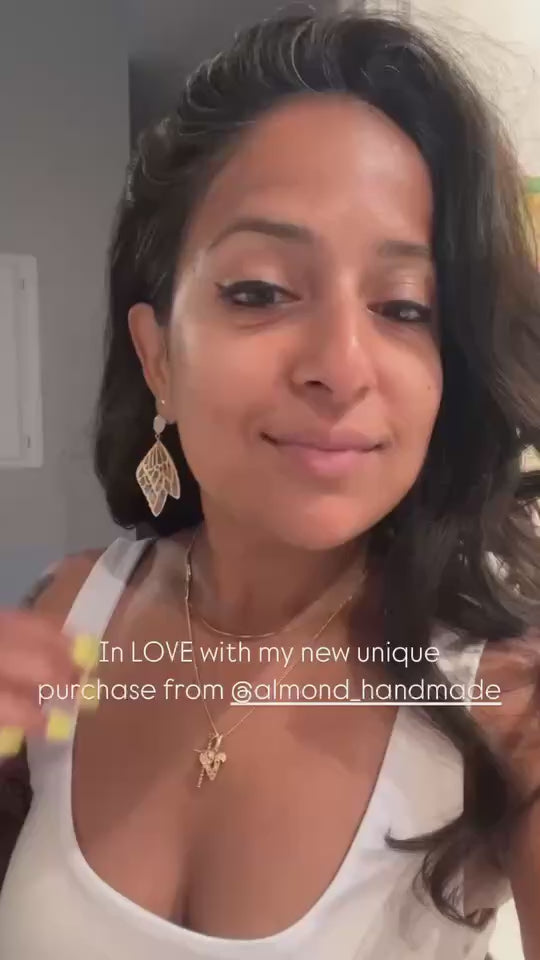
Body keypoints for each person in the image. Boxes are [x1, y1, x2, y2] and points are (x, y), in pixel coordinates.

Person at [0, 9, 539, 959]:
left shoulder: (505, 702)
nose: (341, 365)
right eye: (260, 290)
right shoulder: (66, 619)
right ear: (157, 356)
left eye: (404, 307)